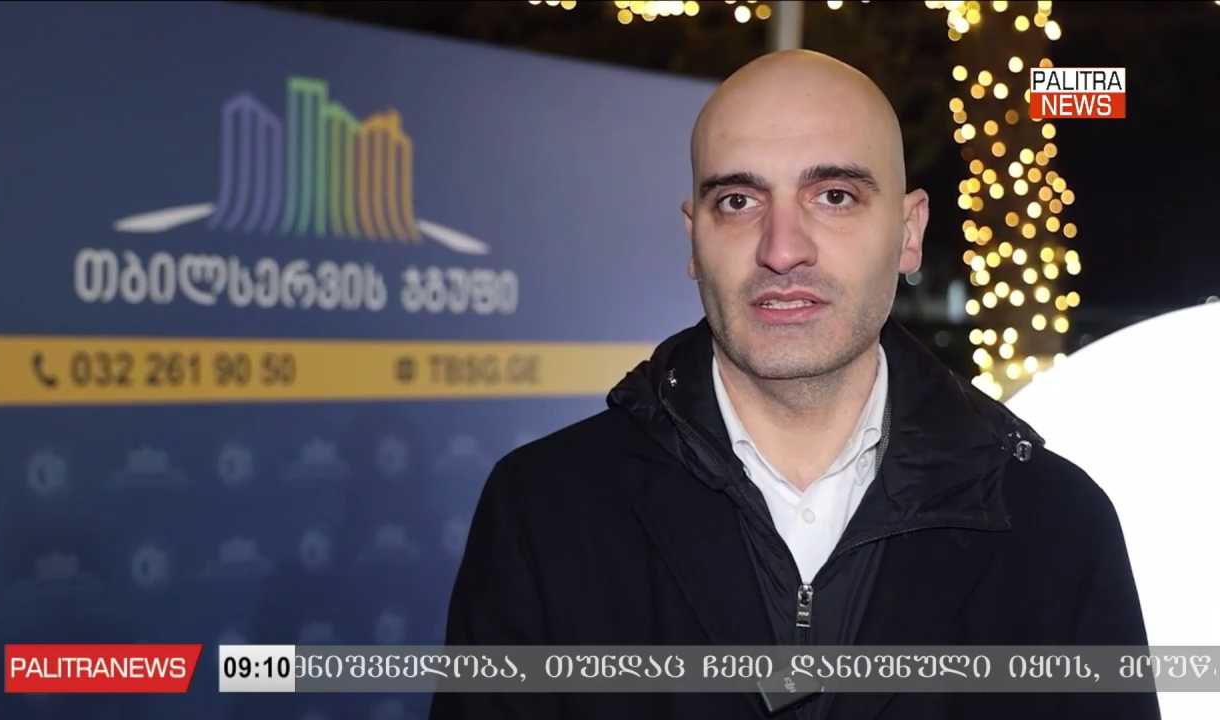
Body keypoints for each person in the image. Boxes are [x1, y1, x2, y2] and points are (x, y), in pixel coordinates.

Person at [429, 50, 1158, 719]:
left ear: (908, 233)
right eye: (737, 202)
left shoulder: (1057, 526)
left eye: (834, 196)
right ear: (694, 238)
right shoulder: (545, 509)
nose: (782, 250)